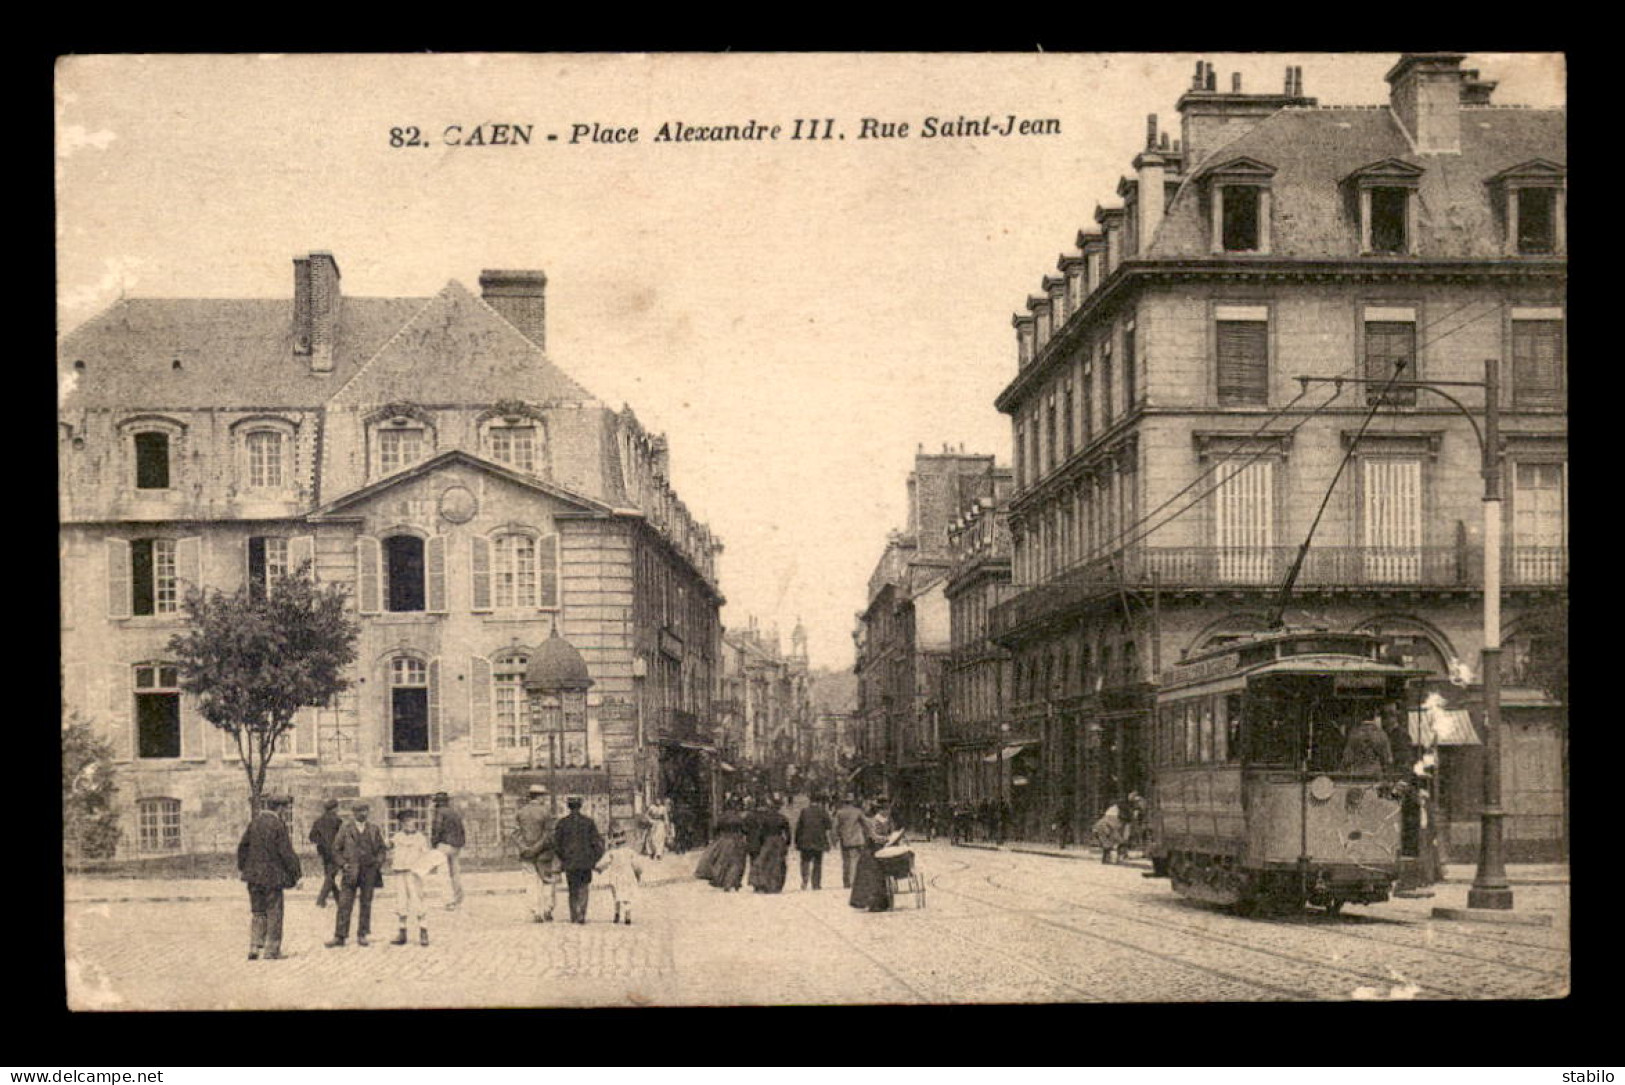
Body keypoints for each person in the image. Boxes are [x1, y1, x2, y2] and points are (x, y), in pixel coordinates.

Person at [237, 794, 301, 960]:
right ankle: (271, 950)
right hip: (272, 877)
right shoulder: (278, 825)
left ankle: (254, 947)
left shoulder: (255, 822)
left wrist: (243, 868)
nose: (285, 811)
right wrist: (297, 874)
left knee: (258, 911)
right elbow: (286, 852)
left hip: (253, 877)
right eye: (285, 808)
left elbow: (242, 847)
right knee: (274, 912)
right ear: (279, 808)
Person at [327, 801, 387, 948]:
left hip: (369, 871)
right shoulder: (345, 828)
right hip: (350, 872)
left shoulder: (373, 829)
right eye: (360, 811)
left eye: (365, 810)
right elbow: (335, 849)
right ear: (354, 813)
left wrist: (377, 864)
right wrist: (343, 864)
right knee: (344, 904)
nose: (363, 814)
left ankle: (363, 934)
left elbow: (381, 849)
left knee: (366, 903)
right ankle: (340, 936)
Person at [553, 796, 606, 924]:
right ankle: (581, 913)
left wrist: (563, 858)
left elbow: (556, 845)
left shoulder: (562, 823)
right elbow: (598, 844)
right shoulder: (589, 822)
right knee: (583, 887)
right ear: (580, 806)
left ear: (568, 806)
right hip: (585, 862)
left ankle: (574, 915)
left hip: (569, 862)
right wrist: (594, 859)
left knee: (572, 889)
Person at [388, 811, 437, 947]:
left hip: (414, 874)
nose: (409, 824)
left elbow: (427, 856)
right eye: (406, 822)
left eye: (411, 821)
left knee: (417, 900)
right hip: (400, 872)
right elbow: (391, 850)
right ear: (402, 824)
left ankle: (423, 931)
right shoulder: (397, 837)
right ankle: (402, 932)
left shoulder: (420, 838)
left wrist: (422, 868)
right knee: (401, 902)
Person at [514, 784, 561, 922]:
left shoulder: (520, 812)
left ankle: (536, 912)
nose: (544, 798)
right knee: (547, 882)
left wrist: (524, 848)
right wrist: (537, 847)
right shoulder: (546, 812)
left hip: (526, 854)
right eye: (543, 796)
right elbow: (549, 835)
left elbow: (515, 833)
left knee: (530, 883)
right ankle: (547, 909)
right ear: (539, 796)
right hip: (544, 854)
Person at [595, 826, 645, 924]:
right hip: (628, 877)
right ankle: (628, 916)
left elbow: (603, 863)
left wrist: (598, 868)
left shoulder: (612, 853)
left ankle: (617, 914)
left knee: (617, 896)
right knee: (627, 897)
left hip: (615, 877)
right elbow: (637, 865)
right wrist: (638, 872)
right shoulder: (630, 852)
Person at [847, 805, 891, 912]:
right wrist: (887, 839)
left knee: (871, 878)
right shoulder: (873, 822)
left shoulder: (880, 821)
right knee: (871, 878)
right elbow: (874, 837)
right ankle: (873, 903)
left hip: (872, 853)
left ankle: (874, 902)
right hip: (870, 853)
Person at [430, 791, 466, 911]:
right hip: (456, 846)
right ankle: (458, 899)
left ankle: (448, 901)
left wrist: (434, 843)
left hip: (444, 845)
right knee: (455, 873)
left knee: (443, 874)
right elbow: (462, 830)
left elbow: (437, 829)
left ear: (437, 803)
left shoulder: (439, 813)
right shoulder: (454, 813)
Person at [706, 799, 749, 891]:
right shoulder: (739, 818)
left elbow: (716, 828)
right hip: (737, 841)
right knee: (737, 863)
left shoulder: (722, 817)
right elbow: (745, 829)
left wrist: (715, 839)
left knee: (723, 862)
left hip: (724, 840)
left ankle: (724, 881)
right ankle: (734, 882)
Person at [793, 793, 834, 890]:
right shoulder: (823, 811)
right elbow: (829, 826)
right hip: (819, 840)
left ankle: (804, 880)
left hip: (805, 840)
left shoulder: (804, 811)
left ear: (810, 801)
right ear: (819, 801)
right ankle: (816, 883)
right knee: (818, 862)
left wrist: (796, 841)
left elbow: (799, 827)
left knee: (805, 861)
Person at [750, 800, 791, 894]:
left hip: (768, 840)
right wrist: (787, 843)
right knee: (778, 863)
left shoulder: (765, 819)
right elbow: (788, 833)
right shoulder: (783, 818)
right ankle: (776, 885)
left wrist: (760, 842)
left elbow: (761, 832)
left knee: (766, 862)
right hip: (779, 840)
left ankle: (765, 883)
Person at [308, 797, 342, 908]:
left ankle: (339, 899)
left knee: (329, 875)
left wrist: (321, 843)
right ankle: (321, 899)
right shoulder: (337, 821)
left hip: (324, 852)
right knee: (330, 876)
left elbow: (311, 837)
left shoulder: (318, 821)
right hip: (335, 852)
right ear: (334, 808)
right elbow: (341, 837)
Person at [834, 796, 866, 889]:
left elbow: (835, 826)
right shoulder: (858, 812)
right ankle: (853, 881)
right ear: (853, 802)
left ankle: (846, 881)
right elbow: (866, 823)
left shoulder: (839, 813)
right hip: (857, 840)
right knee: (855, 860)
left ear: (844, 802)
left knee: (846, 861)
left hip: (845, 840)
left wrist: (834, 839)